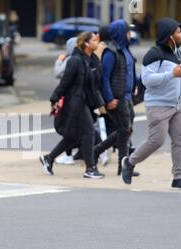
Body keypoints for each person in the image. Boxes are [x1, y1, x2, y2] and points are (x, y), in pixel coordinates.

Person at [121, 18, 181, 191]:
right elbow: (146, 80)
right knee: (156, 141)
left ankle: (178, 178)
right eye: (178, 32)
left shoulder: (178, 53)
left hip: (179, 105)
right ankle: (129, 161)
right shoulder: (154, 54)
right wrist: (172, 73)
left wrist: (178, 77)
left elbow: (176, 77)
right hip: (159, 105)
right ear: (170, 36)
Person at [40, 31, 105, 179]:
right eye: (94, 40)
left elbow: (94, 85)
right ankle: (90, 168)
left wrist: (100, 103)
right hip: (75, 102)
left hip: (85, 101)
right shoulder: (75, 60)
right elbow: (65, 82)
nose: (97, 42)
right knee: (89, 132)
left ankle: (49, 158)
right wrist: (54, 99)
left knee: (73, 136)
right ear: (86, 44)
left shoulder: (93, 59)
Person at [98, 20, 138, 176]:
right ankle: (124, 167)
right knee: (124, 130)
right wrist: (109, 99)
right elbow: (105, 77)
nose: (130, 34)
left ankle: (97, 151)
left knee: (125, 131)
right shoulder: (111, 52)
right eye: (128, 31)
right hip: (117, 98)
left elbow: (131, 70)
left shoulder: (126, 50)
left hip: (127, 97)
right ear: (121, 34)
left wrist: (134, 84)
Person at [53, 37, 77, 165]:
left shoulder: (69, 60)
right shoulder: (83, 58)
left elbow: (57, 73)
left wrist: (58, 61)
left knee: (64, 126)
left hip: (67, 97)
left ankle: (68, 155)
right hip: (77, 97)